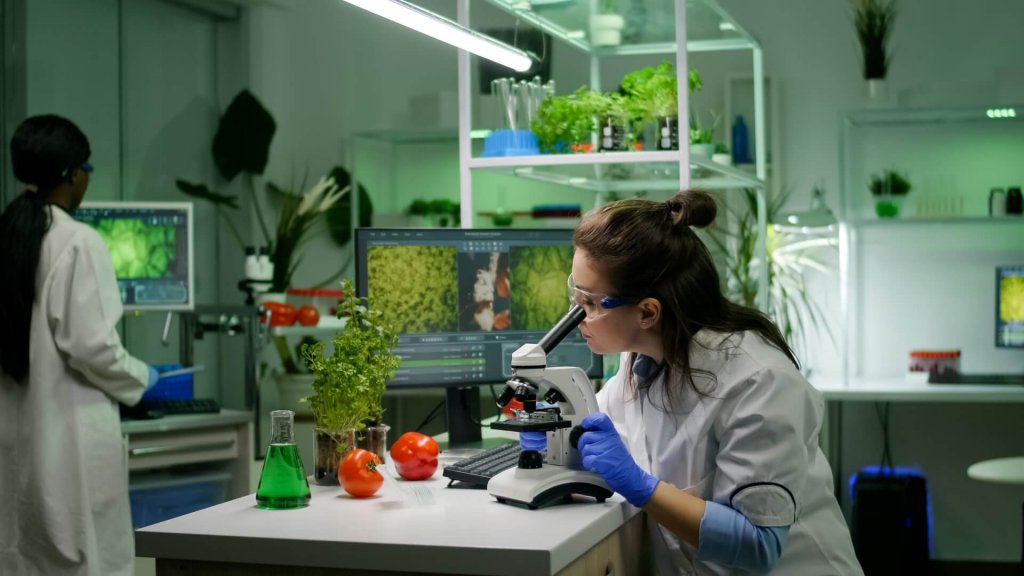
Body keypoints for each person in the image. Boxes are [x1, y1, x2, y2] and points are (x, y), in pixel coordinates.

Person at [566, 189, 862, 574]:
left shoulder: (759, 381)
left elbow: (759, 544)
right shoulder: (641, 362)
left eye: (588, 302)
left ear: (647, 312)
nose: (575, 315)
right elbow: (596, 427)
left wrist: (642, 486)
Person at [0, 114, 159, 576]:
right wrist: (145, 378)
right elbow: (91, 347)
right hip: (68, 439)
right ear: (72, 174)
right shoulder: (76, 241)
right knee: (85, 555)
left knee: (23, 553)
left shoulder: (8, 233)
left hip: (16, 436)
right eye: (87, 167)